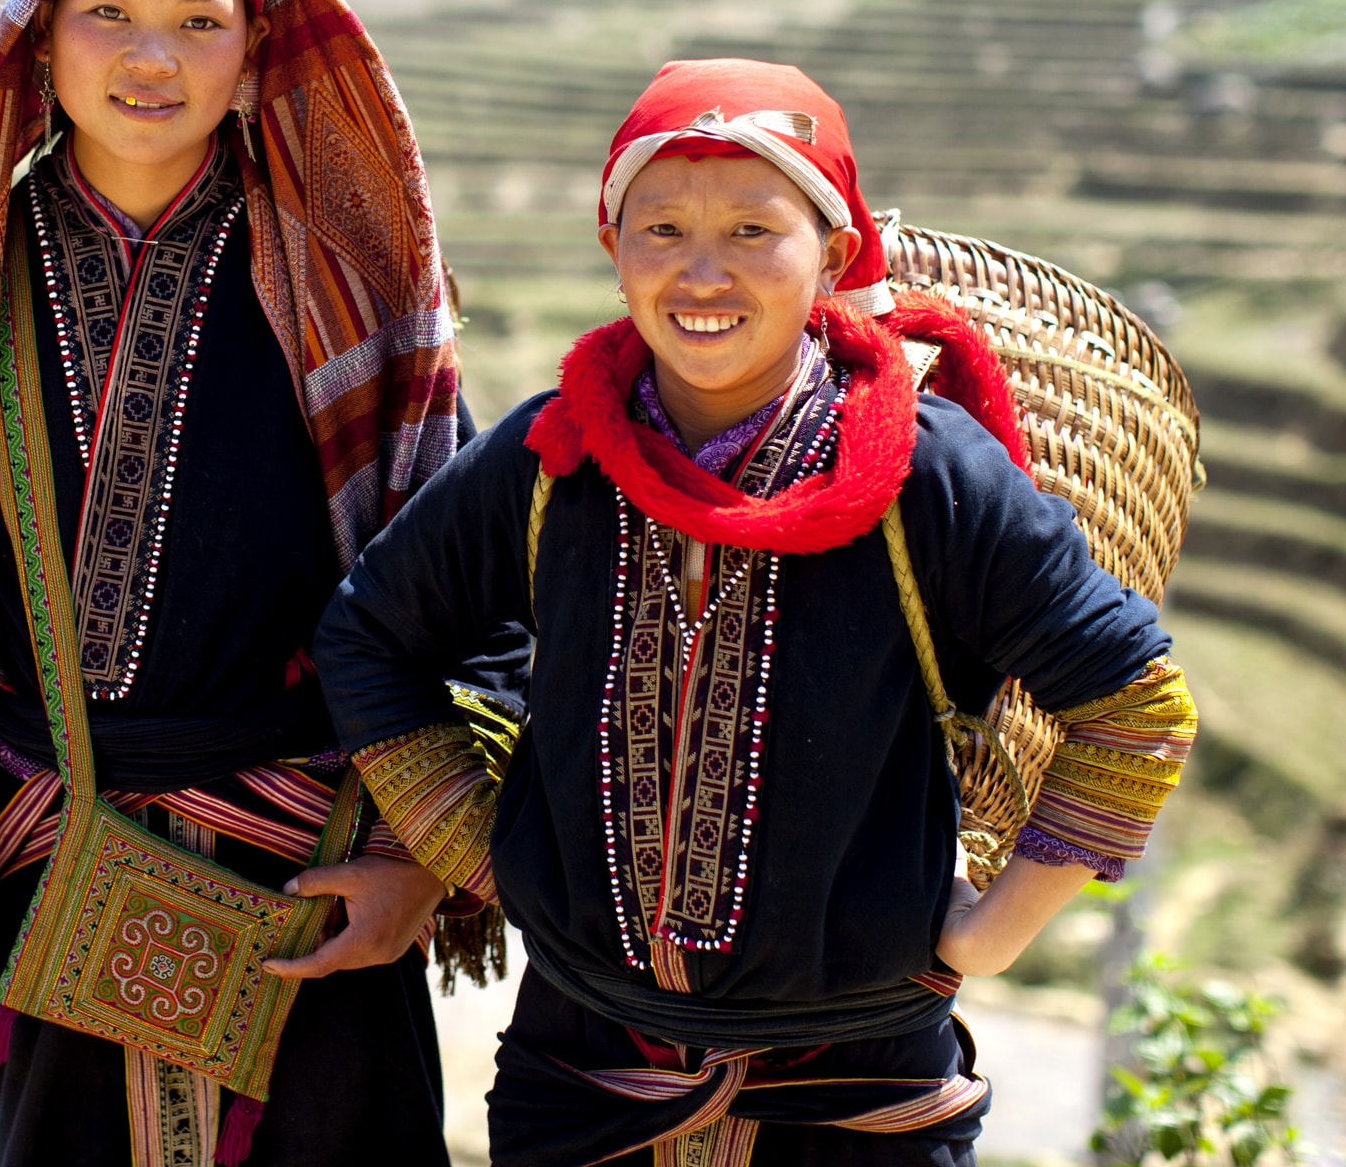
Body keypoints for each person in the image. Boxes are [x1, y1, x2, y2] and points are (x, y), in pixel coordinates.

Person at [313, 58, 1199, 1167]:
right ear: (611, 244)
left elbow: (1137, 710)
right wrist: (492, 853)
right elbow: (369, 636)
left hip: (858, 1096)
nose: (702, 272)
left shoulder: (930, 481)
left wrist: (994, 934)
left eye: (751, 230)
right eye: (662, 228)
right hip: (582, 1080)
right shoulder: (552, 463)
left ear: (831, 252)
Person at [0, 0, 511, 1167]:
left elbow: (476, 590)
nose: (155, 55)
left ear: (256, 56)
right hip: (55, 875)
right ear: (40, 42)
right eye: (111, 14)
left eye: (202, 21)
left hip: (317, 893)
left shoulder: (351, 299)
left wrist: (418, 870)